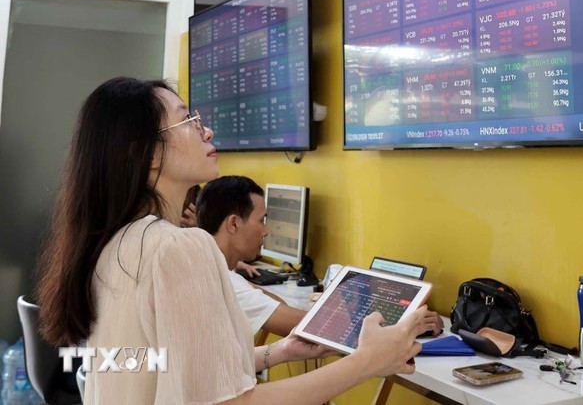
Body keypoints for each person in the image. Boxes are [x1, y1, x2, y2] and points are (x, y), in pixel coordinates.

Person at [35, 77, 432, 404]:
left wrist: (278, 353)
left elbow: (144, 363)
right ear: (150, 153)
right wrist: (367, 361)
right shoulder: (180, 247)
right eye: (187, 120)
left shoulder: (117, 245)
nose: (205, 129)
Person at [196, 175, 307, 336]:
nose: (265, 232)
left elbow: (277, 306)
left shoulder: (203, 263)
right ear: (234, 224)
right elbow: (307, 329)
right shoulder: (225, 283)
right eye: (261, 221)